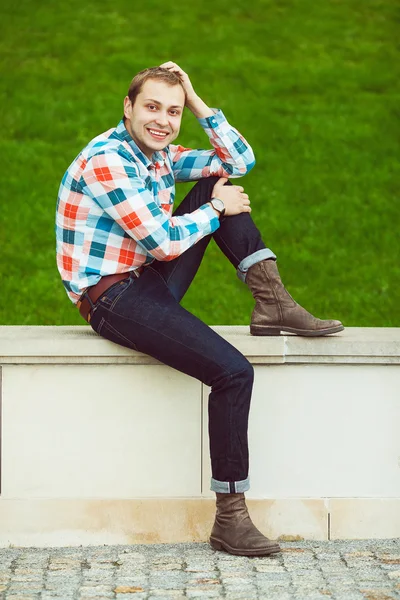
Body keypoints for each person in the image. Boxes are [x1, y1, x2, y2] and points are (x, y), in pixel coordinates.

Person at [56, 61, 344, 557]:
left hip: (143, 279)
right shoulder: (109, 160)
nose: (162, 120)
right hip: (111, 298)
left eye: (172, 111)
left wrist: (197, 101)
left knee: (217, 185)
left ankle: (272, 301)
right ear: (127, 108)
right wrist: (216, 209)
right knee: (233, 372)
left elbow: (238, 161)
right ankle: (230, 519)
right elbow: (163, 242)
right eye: (151, 107)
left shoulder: (159, 153)